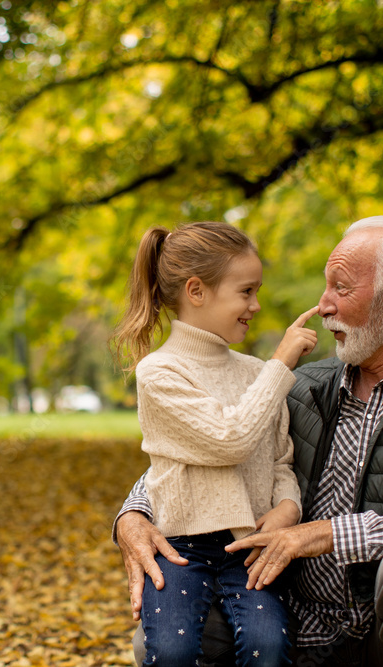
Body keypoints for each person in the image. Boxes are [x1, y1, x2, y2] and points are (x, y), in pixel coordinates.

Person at [114, 216, 383, 667]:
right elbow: (205, 451)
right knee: (158, 640)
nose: (323, 305)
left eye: (341, 288)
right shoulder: (300, 385)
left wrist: (332, 534)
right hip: (303, 627)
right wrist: (133, 515)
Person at [112, 221, 319, 666]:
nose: (256, 305)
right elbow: (230, 440)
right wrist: (281, 362)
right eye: (245, 291)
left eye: (257, 291)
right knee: (171, 651)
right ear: (196, 291)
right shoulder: (160, 373)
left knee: (270, 648)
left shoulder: (256, 373)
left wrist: (288, 506)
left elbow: (280, 459)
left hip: (249, 546)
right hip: (181, 548)